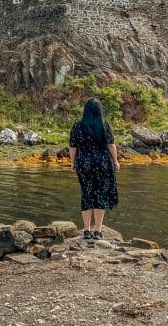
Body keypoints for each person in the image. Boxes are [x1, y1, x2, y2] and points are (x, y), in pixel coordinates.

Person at [69, 98, 120, 240]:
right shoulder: (104, 125)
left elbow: (73, 146)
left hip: (83, 163)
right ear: (99, 111)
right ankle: (98, 231)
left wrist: (72, 163)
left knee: (86, 193)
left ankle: (86, 230)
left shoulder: (77, 126)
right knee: (100, 195)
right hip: (102, 163)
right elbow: (111, 145)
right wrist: (115, 161)